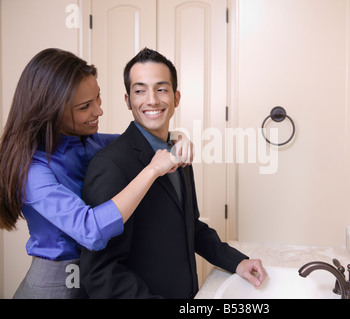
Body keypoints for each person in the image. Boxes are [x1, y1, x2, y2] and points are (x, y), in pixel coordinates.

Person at [0, 48, 191, 299]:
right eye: (84, 107)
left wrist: (177, 136)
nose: (98, 111)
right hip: (54, 286)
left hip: (91, 280)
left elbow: (140, 140)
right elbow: (90, 230)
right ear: (51, 110)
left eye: (98, 99)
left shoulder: (90, 142)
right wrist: (153, 170)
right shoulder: (32, 171)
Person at [80, 48, 267, 299]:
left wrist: (237, 262)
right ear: (128, 101)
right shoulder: (110, 164)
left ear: (176, 97)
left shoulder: (178, 151)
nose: (152, 100)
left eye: (161, 89)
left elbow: (191, 226)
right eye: (140, 90)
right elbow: (99, 272)